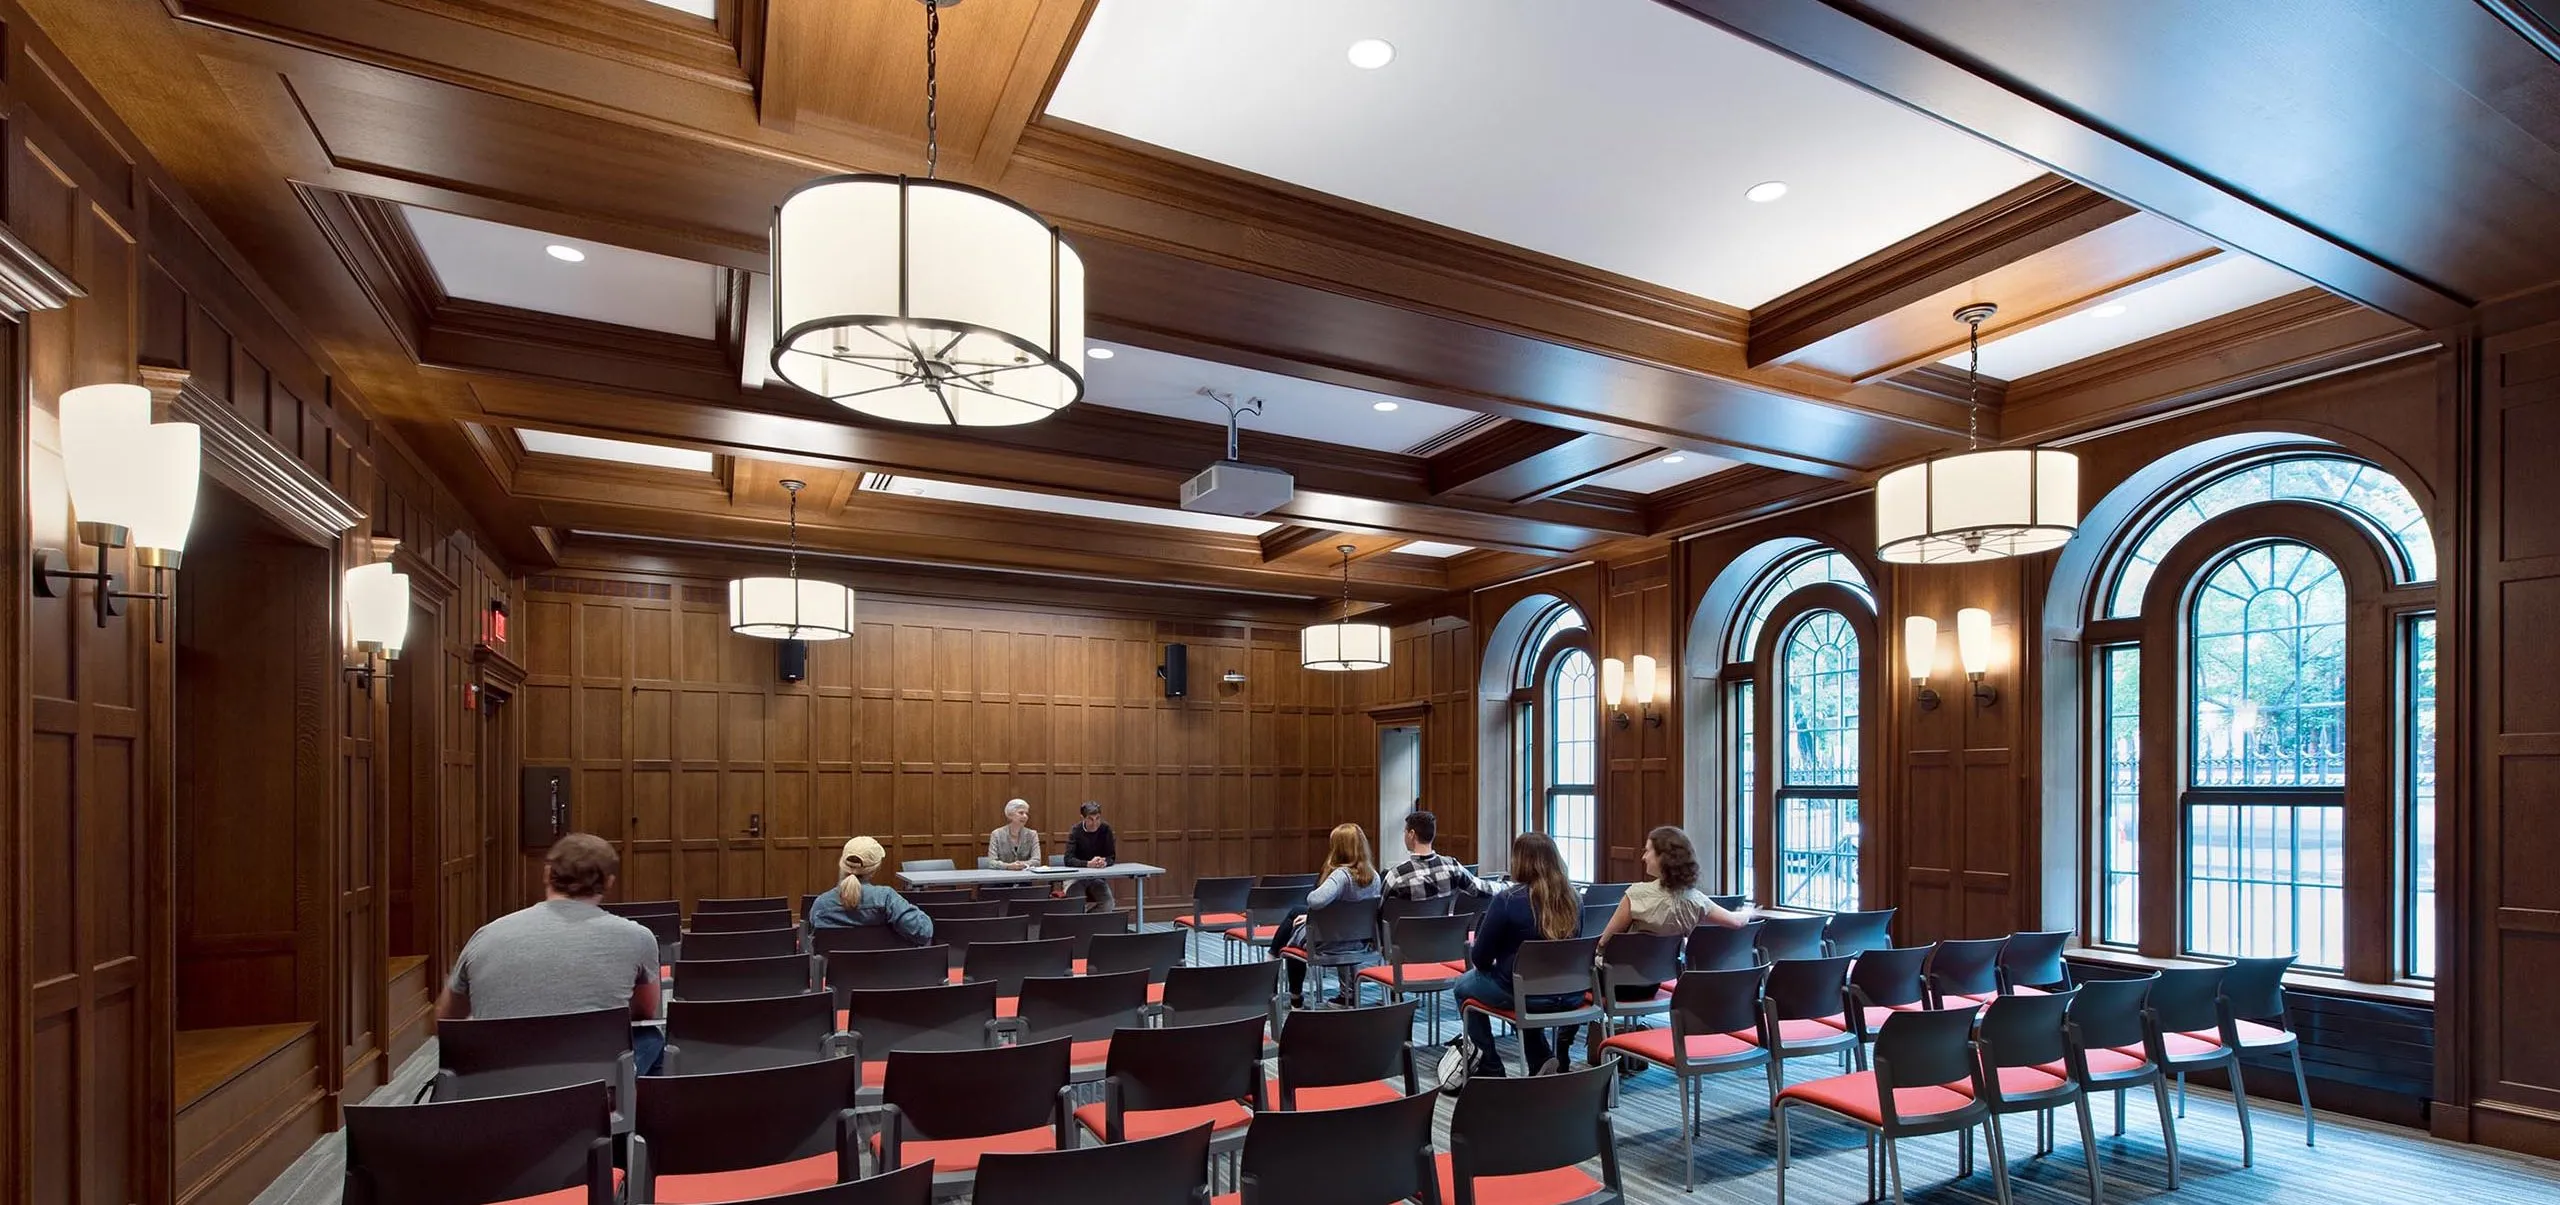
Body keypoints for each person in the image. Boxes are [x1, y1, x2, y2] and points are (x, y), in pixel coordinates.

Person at [438, 833, 665, 1073]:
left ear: (547, 874)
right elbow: (645, 1010)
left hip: (497, 1087)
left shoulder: (485, 935)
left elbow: (446, 1020)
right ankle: (627, 1109)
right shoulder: (638, 937)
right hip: (591, 1086)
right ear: (609, 882)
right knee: (649, 1036)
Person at [1453, 832, 1587, 1078]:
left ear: (1521, 861)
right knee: (1523, 987)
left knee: (1463, 986)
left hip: (1526, 993)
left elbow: (1481, 959)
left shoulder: (1507, 900)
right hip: (1571, 994)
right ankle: (1541, 1059)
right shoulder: (1574, 899)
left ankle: (1490, 1068)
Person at [1269, 823, 1383, 1007]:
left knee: (1293, 932)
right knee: (1299, 914)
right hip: (1358, 942)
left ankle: (1293, 994)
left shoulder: (1341, 876)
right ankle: (1347, 996)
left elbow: (1314, 900)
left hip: (1329, 943)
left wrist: (1313, 913)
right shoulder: (1375, 877)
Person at [1597, 825, 1749, 945]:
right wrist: (1749, 913)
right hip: (1665, 971)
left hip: (1623, 975)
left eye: (1648, 851)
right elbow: (1736, 921)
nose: (1643, 857)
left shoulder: (1636, 895)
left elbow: (1605, 942)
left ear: (1663, 857)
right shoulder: (1696, 900)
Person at [806, 835, 934, 945]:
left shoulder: (821, 905)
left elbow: (815, 943)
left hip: (836, 972)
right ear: (874, 870)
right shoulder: (887, 898)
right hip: (886, 970)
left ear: (842, 863)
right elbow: (923, 931)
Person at [1381, 810, 1488, 902]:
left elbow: (1378, 911)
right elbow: (1481, 888)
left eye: (1405, 831)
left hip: (1407, 926)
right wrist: (1505, 886)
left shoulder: (1397, 876)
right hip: (1446, 926)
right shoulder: (1452, 867)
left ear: (1411, 834)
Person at [1059, 801, 1118, 912]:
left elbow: (1111, 856)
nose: (1095, 823)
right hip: (1075, 878)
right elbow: (1068, 860)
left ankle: (1087, 923)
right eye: (1091, 819)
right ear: (1083, 818)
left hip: (1096, 877)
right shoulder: (1076, 830)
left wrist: (1104, 861)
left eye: (1098, 818)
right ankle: (1082, 924)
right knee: (1076, 904)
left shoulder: (1105, 829)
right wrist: (1088, 864)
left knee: (1108, 904)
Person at [987, 799, 1040, 870]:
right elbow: (991, 862)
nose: (1025, 816)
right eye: (1021, 813)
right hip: (1002, 878)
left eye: (1026, 813)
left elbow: (1037, 861)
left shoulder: (1032, 834)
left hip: (1025, 877)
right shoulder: (997, 834)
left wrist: (1023, 864)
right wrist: (1008, 866)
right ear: (1010, 815)